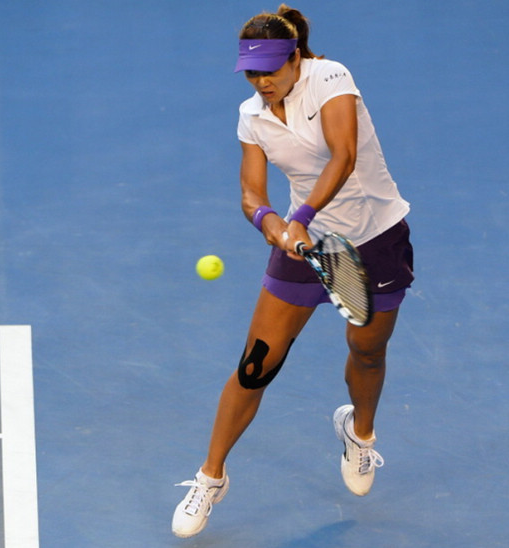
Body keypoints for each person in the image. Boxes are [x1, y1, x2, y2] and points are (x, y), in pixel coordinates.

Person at [171, 4, 414, 539]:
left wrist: (299, 217)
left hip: (373, 237)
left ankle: (360, 433)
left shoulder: (330, 77)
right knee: (256, 364)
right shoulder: (250, 116)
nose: (262, 83)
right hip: (307, 248)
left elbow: (344, 155)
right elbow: (251, 194)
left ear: (296, 58)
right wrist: (270, 221)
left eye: (271, 71)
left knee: (368, 350)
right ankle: (210, 477)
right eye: (252, 74)